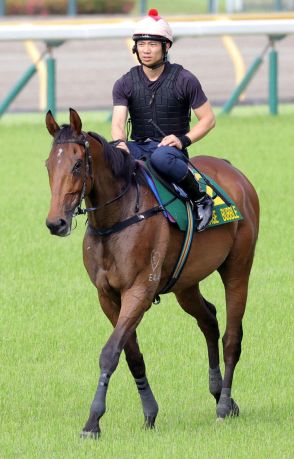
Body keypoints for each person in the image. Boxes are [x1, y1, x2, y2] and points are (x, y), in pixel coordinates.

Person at [111, 9, 216, 231]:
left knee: (160, 157)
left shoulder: (185, 79)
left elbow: (208, 119)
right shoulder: (124, 82)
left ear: (166, 46)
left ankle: (200, 198)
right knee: (109, 156)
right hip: (138, 147)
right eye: (141, 44)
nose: (146, 50)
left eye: (152, 44)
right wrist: (120, 143)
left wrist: (182, 140)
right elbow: (119, 122)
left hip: (170, 152)